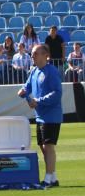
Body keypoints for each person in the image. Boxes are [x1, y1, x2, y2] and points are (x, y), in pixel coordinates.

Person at [18, 44, 63, 187]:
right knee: (44, 147)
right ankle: (53, 177)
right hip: (40, 115)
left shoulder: (52, 71)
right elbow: (27, 86)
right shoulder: (34, 71)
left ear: (46, 56)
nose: (32, 56)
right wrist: (23, 91)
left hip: (51, 115)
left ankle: (48, 178)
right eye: (32, 54)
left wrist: (39, 101)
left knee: (48, 146)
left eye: (35, 54)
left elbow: (57, 93)